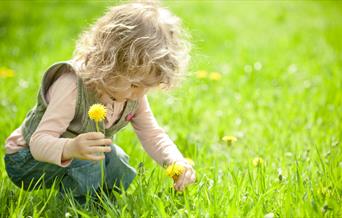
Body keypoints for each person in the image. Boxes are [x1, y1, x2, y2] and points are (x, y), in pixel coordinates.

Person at [4, 2, 196, 202]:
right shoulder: (72, 85)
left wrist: (176, 161)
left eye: (148, 86)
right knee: (90, 160)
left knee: (116, 158)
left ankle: (106, 198)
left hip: (75, 153)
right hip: (26, 159)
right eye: (135, 84)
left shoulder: (134, 94)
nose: (139, 94)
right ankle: (80, 207)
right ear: (109, 62)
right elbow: (38, 142)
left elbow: (153, 134)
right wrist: (71, 148)